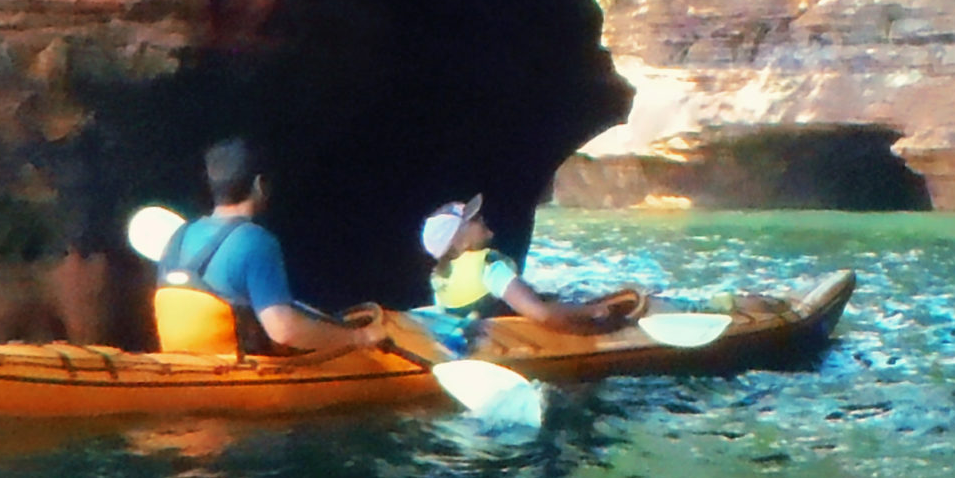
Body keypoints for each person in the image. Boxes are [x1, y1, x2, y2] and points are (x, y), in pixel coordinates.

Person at [154, 139, 384, 358]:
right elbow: (284, 331)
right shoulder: (255, 240)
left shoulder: (179, 235)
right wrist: (358, 337)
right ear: (259, 185)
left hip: (182, 366)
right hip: (238, 373)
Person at [420, 196, 638, 335]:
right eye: (474, 219)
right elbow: (541, 314)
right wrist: (594, 311)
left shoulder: (440, 277)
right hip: (517, 343)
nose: (481, 218)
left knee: (550, 298)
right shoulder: (490, 267)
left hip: (478, 341)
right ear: (460, 242)